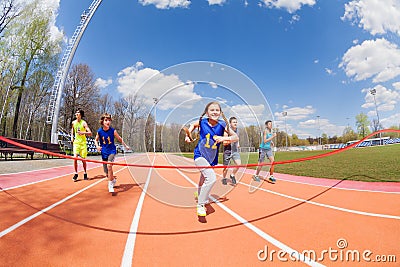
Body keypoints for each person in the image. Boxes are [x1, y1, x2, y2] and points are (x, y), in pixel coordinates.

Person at [185, 102, 238, 217]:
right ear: (207, 112)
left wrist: (224, 138)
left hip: (211, 158)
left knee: (203, 177)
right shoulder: (202, 122)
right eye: (212, 110)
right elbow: (192, 126)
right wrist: (187, 135)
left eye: (217, 110)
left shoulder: (223, 124)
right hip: (200, 155)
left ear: (220, 112)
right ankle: (201, 204)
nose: (214, 112)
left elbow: (235, 137)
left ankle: (199, 192)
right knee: (211, 177)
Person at [95, 113, 130, 193]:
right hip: (104, 152)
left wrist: (125, 146)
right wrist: (97, 146)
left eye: (109, 120)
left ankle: (110, 184)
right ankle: (113, 180)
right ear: (102, 121)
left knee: (109, 165)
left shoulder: (113, 131)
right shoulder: (99, 131)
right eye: (106, 120)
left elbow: (119, 139)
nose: (108, 122)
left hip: (112, 151)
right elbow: (96, 140)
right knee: (107, 173)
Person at [71, 109, 92, 181]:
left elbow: (90, 132)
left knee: (83, 160)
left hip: (83, 143)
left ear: (81, 115)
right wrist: (71, 137)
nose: (76, 114)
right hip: (76, 143)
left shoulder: (84, 123)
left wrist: (83, 132)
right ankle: (76, 173)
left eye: (78, 113)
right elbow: (72, 130)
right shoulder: (73, 122)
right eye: (76, 112)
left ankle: (85, 172)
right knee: (75, 158)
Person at [222, 117, 241, 185]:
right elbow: (224, 143)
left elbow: (237, 139)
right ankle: (224, 178)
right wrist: (232, 140)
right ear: (230, 123)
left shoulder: (237, 130)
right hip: (227, 151)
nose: (235, 123)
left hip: (235, 151)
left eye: (236, 122)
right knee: (226, 168)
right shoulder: (226, 131)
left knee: (238, 164)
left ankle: (232, 175)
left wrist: (238, 143)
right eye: (234, 122)